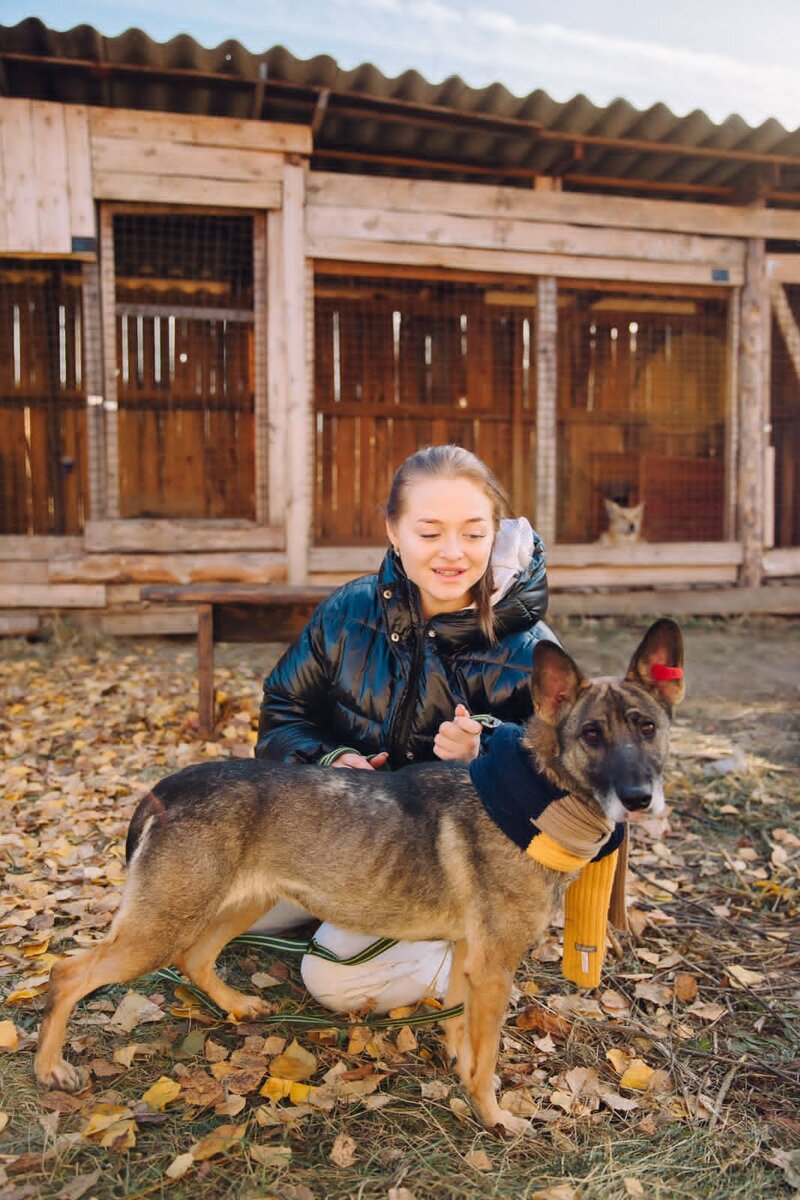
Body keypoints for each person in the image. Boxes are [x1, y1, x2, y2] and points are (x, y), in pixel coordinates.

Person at [253, 444, 555, 1012]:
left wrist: (488, 753)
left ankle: (472, 958)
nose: (453, 553)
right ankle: (337, 916)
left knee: (333, 981)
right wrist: (327, 761)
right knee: (210, 897)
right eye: (430, 531)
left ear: (496, 532)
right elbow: (283, 710)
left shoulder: (532, 652)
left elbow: (564, 779)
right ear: (393, 530)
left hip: (444, 869)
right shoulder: (348, 612)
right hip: (340, 833)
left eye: (473, 532)